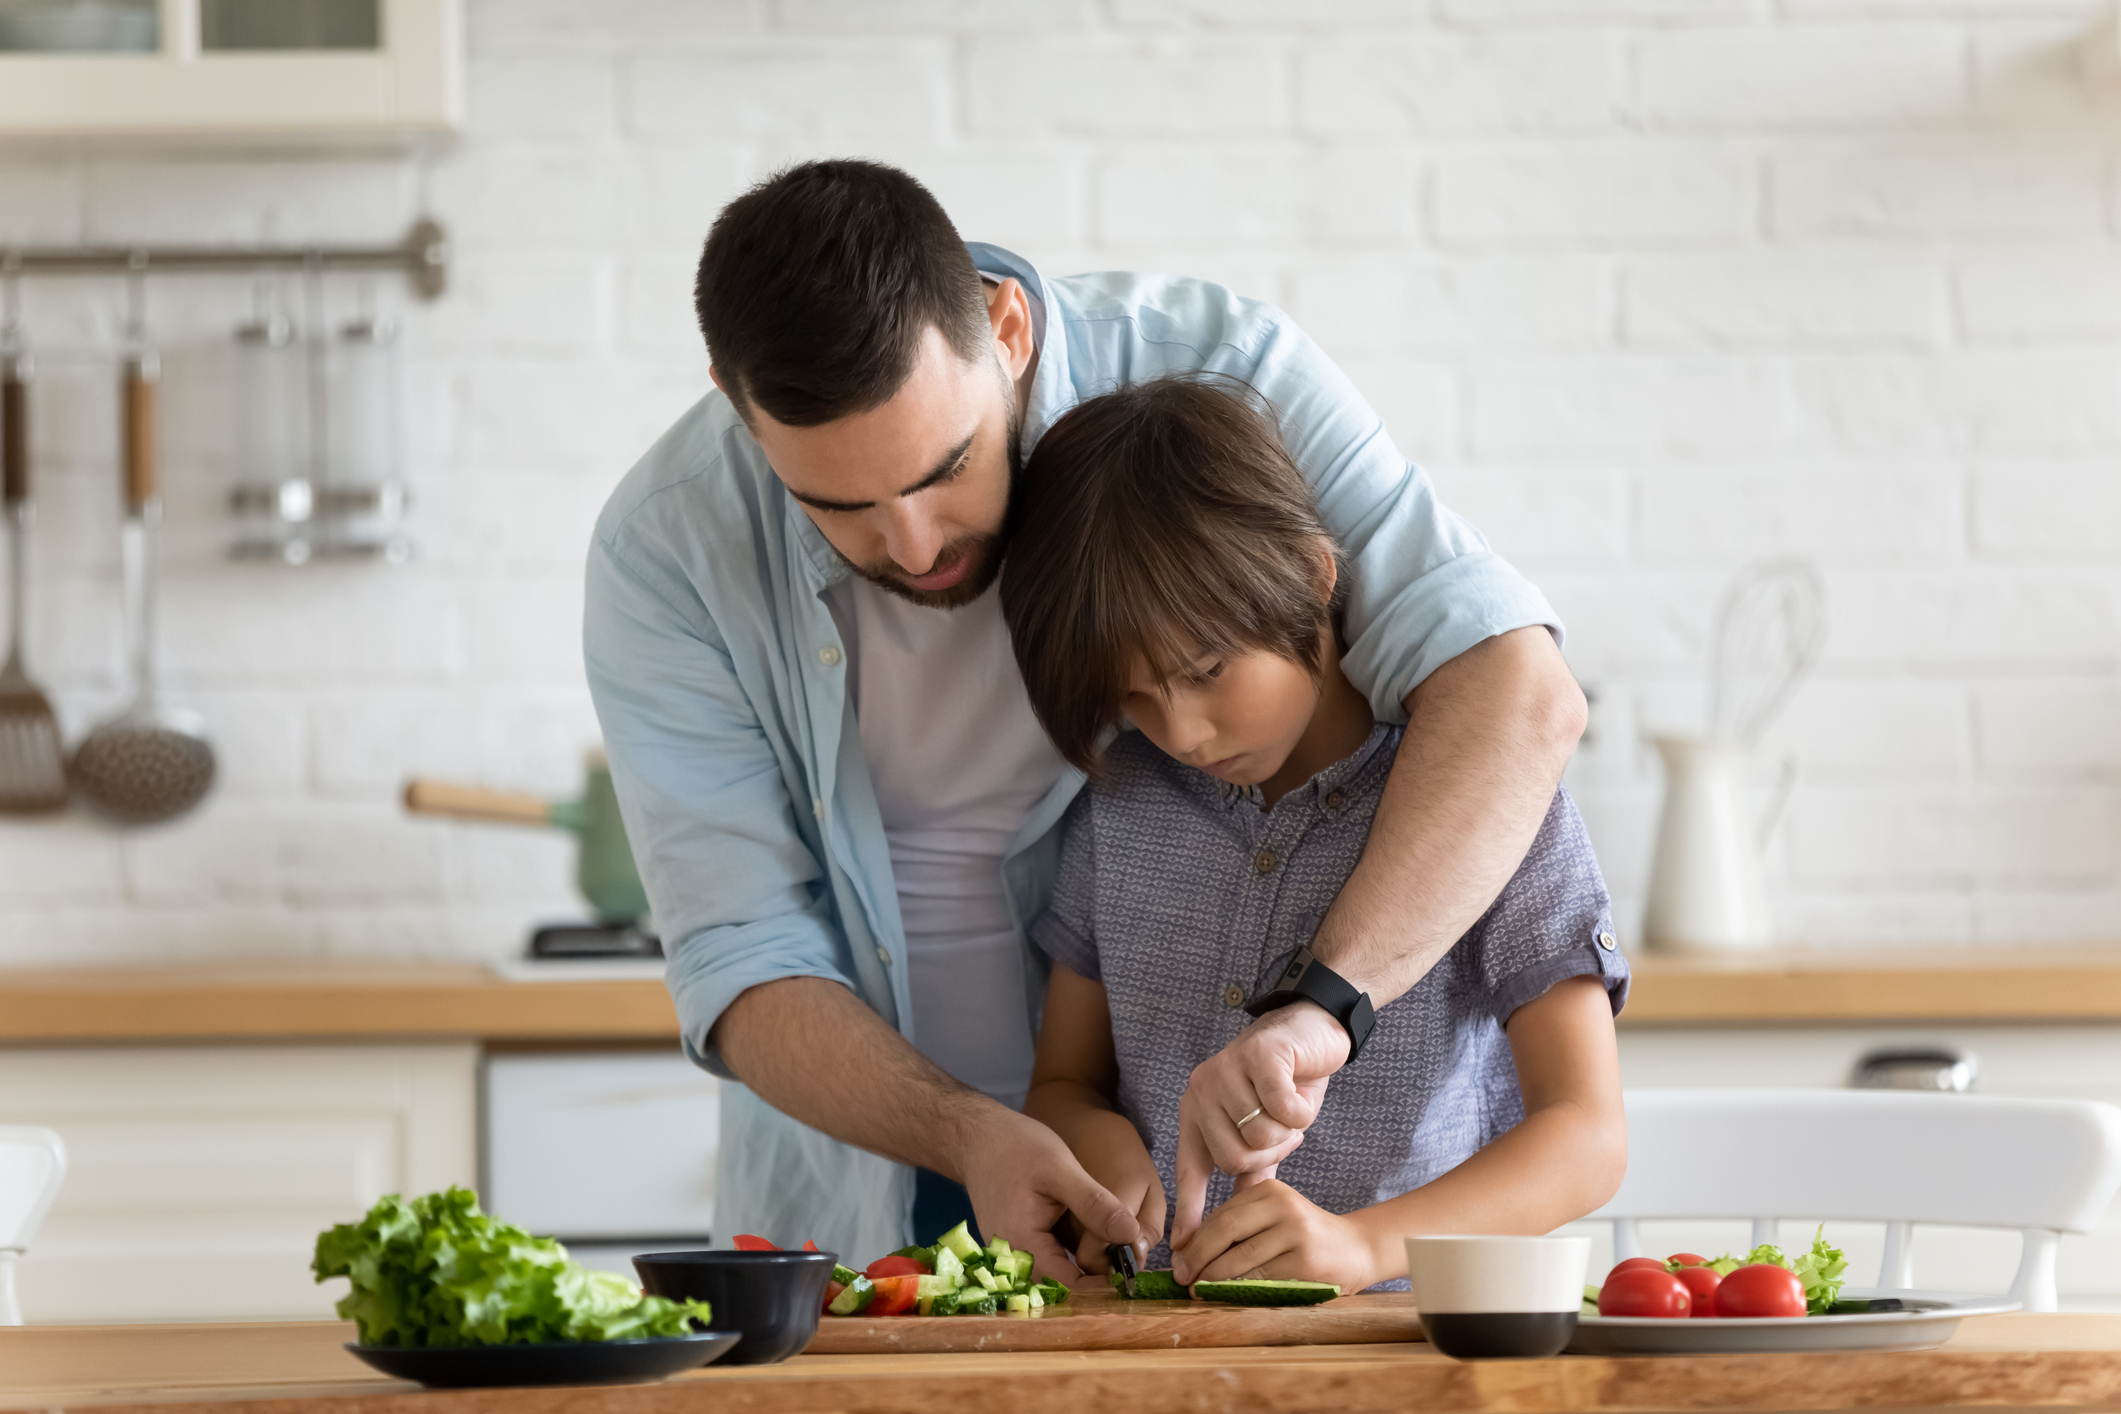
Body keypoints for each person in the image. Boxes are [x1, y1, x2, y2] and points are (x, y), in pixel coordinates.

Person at [582, 158, 1589, 1272]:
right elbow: (741, 953)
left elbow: (1510, 687)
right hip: (872, 1171)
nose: (914, 548)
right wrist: (976, 1131)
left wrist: (1323, 1008)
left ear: (1005, 329)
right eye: (840, 507)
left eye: (946, 466)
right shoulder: (662, 549)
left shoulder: (1224, 376)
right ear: (737, 404)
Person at [1003, 376, 1628, 1291]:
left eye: (1206, 670)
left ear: (1308, 575)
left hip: (1407, 1353)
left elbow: (1587, 1138)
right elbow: (1062, 1084)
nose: (1178, 731)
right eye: (1133, 696)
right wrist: (1101, 1153)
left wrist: (1364, 1248)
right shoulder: (1123, 801)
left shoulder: (1484, 803)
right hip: (1155, 1353)